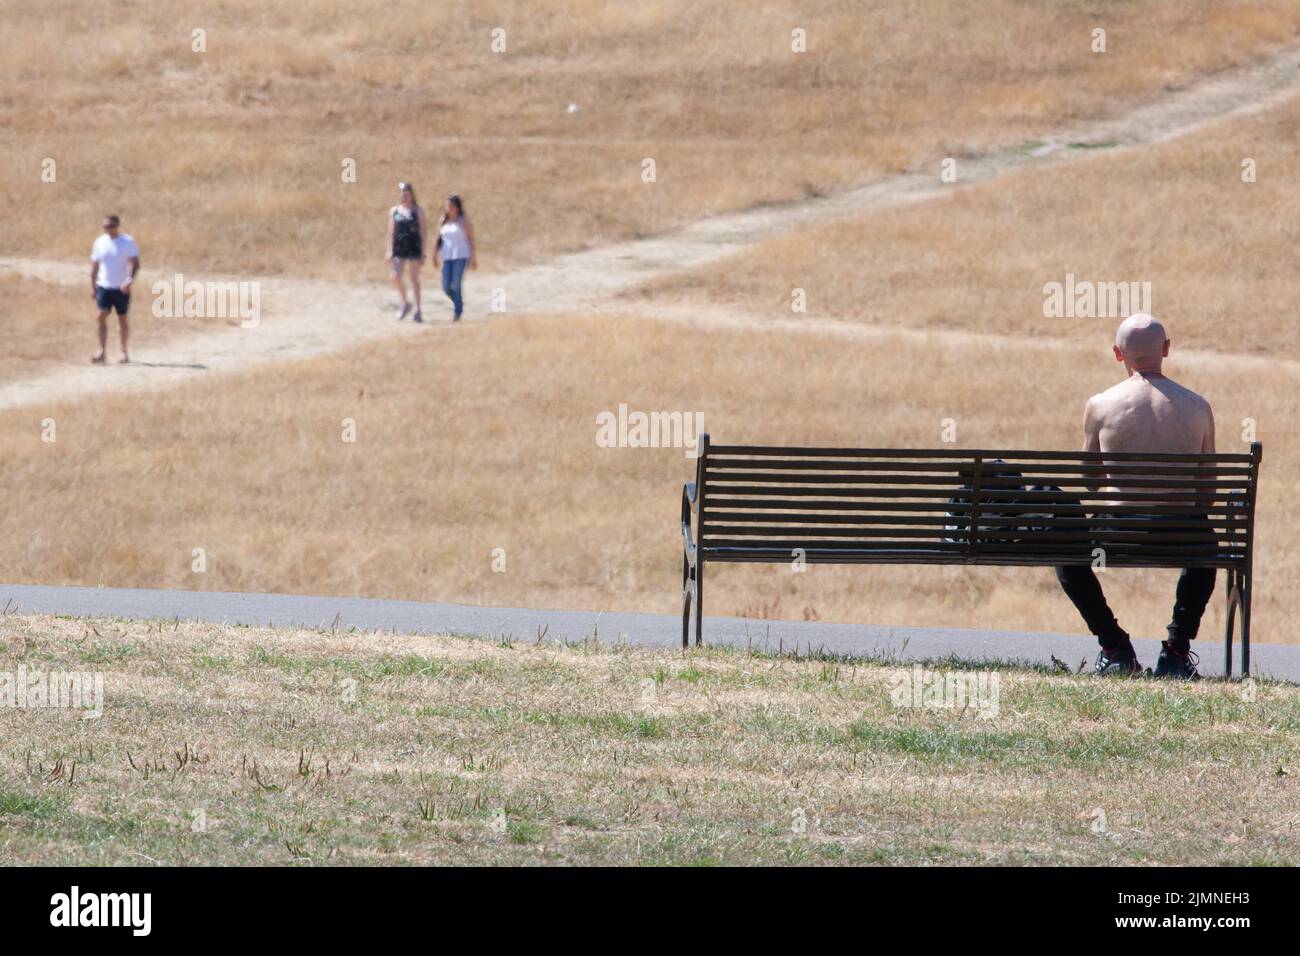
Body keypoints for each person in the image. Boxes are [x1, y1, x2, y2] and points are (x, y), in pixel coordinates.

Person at [1055, 313, 1216, 679]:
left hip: (1116, 536)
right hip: (1183, 537)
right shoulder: (1197, 406)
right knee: (1206, 548)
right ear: (1166, 349)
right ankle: (1176, 652)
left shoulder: (1099, 404)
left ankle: (1114, 648)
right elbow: (1207, 494)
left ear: (1117, 353)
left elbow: (1090, 482)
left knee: (1067, 558)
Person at [89, 214, 140, 364]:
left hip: (121, 287)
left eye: (110, 226)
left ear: (117, 226)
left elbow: (134, 263)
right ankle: (101, 351)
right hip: (104, 285)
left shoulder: (127, 242)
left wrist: (129, 279)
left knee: (122, 318)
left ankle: (123, 352)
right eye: (105, 226)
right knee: (101, 315)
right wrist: (92, 285)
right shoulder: (99, 242)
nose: (107, 229)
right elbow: (95, 265)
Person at [385, 182, 428, 322]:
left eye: (407, 192)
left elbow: (423, 232)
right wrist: (389, 250)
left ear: (411, 194)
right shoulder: (395, 211)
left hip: (413, 247)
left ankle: (418, 310)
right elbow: (391, 231)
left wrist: (423, 251)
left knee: (414, 279)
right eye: (402, 192)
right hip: (399, 248)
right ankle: (405, 303)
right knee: (395, 276)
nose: (404, 195)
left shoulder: (418, 211)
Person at [433, 194, 475, 321]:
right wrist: (434, 255)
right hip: (447, 256)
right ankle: (458, 302)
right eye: (447, 206)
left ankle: (457, 312)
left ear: (457, 207)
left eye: (451, 205)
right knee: (446, 286)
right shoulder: (443, 220)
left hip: (461, 255)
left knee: (457, 283)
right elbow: (439, 239)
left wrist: (473, 258)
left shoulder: (463, 221)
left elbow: (470, 240)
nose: (448, 208)